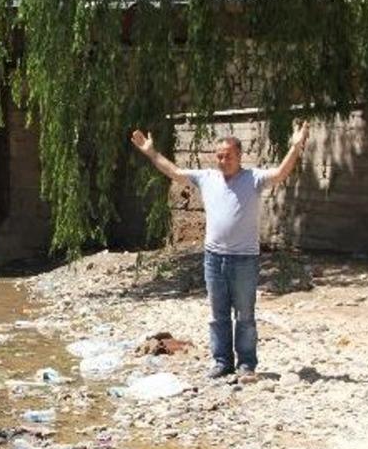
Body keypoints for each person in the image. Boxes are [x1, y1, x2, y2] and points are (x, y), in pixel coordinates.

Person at [131, 121, 310, 379]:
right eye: (219, 156)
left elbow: (281, 173)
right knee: (218, 315)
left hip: (245, 259)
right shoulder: (207, 178)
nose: (222, 160)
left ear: (239, 156)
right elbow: (175, 173)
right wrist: (151, 152)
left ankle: (246, 365)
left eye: (227, 156)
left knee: (245, 315)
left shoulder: (254, 179)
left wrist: (295, 146)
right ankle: (222, 362)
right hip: (214, 259)